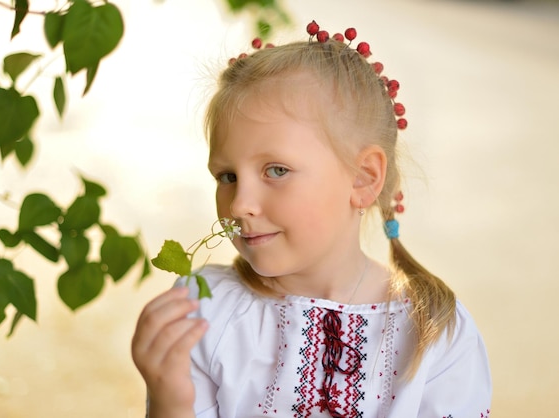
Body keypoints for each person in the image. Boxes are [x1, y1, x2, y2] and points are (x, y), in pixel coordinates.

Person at [131, 20, 492, 418]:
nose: (239, 205)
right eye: (227, 176)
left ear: (363, 178)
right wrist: (170, 403)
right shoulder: (207, 311)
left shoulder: (435, 332)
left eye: (277, 170)